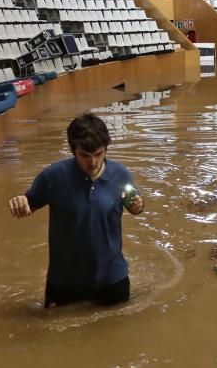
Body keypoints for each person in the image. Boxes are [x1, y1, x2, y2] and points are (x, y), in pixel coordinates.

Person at [9, 114, 144, 307]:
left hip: (112, 279)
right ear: (73, 150)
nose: (93, 163)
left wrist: (138, 206)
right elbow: (28, 204)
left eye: (99, 154)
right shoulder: (53, 177)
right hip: (64, 282)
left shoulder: (121, 175)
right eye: (85, 156)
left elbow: (135, 204)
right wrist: (20, 203)